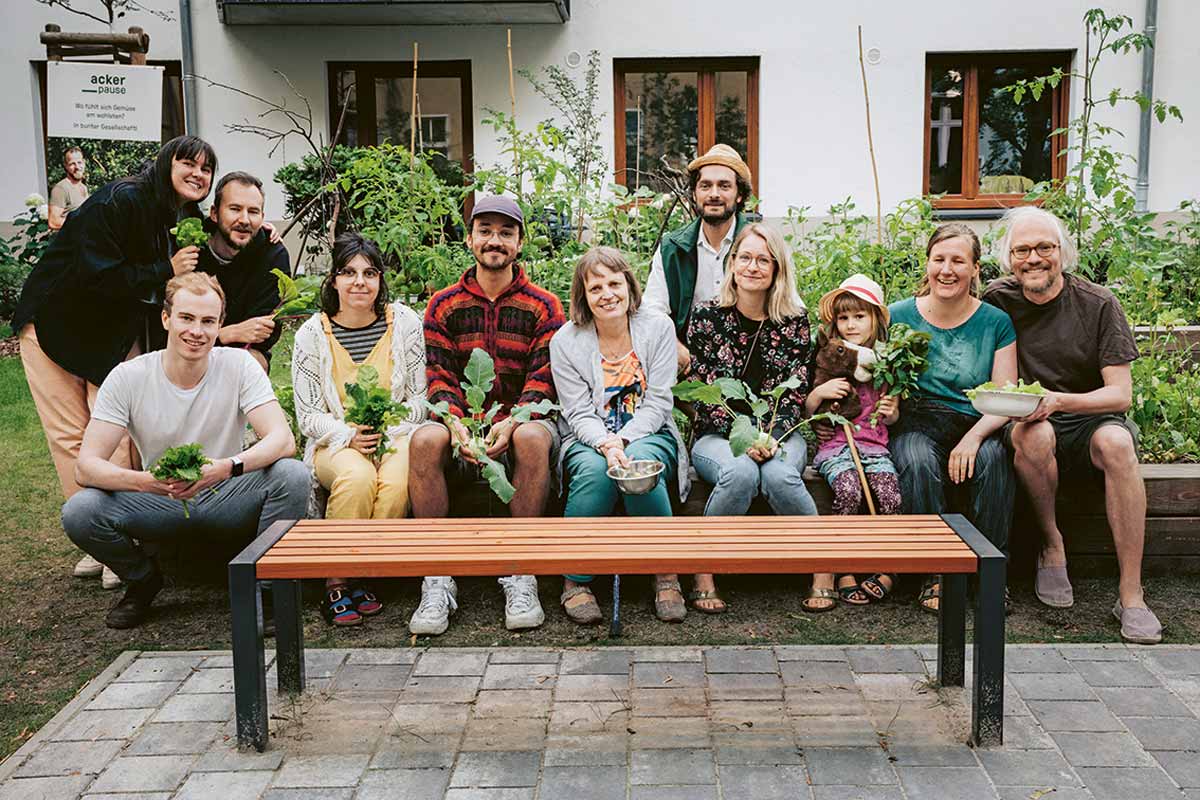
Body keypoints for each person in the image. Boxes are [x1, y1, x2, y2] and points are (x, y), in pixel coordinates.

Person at [14, 135, 218, 587]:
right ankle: (102, 543)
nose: (198, 174)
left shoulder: (183, 214)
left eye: (206, 169)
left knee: (116, 437)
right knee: (71, 437)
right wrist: (167, 269)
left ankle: (120, 535)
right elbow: (97, 275)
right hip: (55, 325)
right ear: (166, 163)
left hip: (110, 334)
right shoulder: (120, 200)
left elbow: (217, 249)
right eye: (188, 163)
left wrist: (264, 236)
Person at [60, 273, 308, 629]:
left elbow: (282, 440)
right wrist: (148, 482)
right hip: (160, 497)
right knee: (80, 511)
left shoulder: (239, 366)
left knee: (293, 475)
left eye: (209, 321)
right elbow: (87, 467)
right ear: (166, 318)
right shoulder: (128, 377)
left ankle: (265, 589)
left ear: (221, 324)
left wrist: (226, 467)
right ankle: (142, 580)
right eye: (186, 318)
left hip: (226, 491)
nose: (197, 331)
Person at [984, 206, 1161, 644]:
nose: (1034, 258)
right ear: (1008, 258)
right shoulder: (997, 300)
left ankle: (1131, 593)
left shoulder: (1099, 303)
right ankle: (1052, 544)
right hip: (1031, 423)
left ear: (1063, 252)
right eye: (1022, 249)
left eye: (1045, 247)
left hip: (1088, 418)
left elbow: (1120, 394)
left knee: (1119, 445)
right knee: (1034, 433)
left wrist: (1060, 400)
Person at [407, 195, 565, 636]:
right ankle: (437, 576)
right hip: (461, 424)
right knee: (423, 441)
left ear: (519, 243)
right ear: (470, 237)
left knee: (533, 437)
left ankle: (521, 571)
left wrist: (512, 420)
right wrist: (457, 424)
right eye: (486, 231)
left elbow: (543, 378)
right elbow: (438, 376)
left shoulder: (543, 306)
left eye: (506, 233)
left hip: (522, 420)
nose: (495, 241)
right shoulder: (444, 305)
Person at [291, 233, 427, 626]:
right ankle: (335, 579)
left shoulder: (403, 324)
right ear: (333, 279)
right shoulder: (311, 335)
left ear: (381, 279)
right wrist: (347, 434)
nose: (359, 282)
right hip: (336, 439)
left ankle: (365, 573)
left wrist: (388, 426)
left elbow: (419, 399)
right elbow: (309, 415)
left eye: (369, 273)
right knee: (357, 476)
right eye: (348, 272)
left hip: (395, 434)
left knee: (398, 481)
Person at [550, 247, 689, 624]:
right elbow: (577, 411)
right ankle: (575, 580)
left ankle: (665, 574)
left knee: (641, 468)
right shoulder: (566, 341)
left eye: (615, 283)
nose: (607, 294)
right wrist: (605, 443)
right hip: (587, 436)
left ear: (629, 285)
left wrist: (622, 442)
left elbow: (659, 402)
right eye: (595, 288)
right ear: (583, 296)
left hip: (648, 430)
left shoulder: (657, 328)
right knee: (596, 473)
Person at [686, 223, 819, 614]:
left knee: (778, 474)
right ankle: (703, 573)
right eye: (745, 257)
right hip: (717, 436)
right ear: (731, 263)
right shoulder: (707, 317)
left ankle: (823, 568)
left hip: (781, 434)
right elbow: (702, 390)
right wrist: (747, 441)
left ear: (777, 269)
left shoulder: (793, 321)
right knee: (741, 471)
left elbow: (795, 391)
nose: (753, 267)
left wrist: (772, 437)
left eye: (764, 260)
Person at [888, 223, 1018, 613]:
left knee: (994, 462)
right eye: (939, 259)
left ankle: (991, 575)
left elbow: (1005, 395)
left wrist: (974, 438)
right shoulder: (898, 316)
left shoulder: (996, 322)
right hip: (917, 421)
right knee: (915, 459)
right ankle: (936, 574)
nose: (947, 269)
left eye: (958, 261)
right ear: (927, 264)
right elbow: (883, 381)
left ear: (975, 269)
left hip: (977, 421)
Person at [803, 274, 902, 612]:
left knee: (888, 494)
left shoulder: (887, 364)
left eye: (859, 316)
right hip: (837, 447)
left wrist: (891, 410)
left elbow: (892, 416)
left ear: (875, 319)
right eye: (843, 317)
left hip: (874, 445)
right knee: (848, 490)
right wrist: (819, 395)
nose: (850, 324)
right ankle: (842, 564)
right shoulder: (832, 358)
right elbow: (809, 411)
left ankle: (887, 566)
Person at [643, 144, 753, 372]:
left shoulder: (760, 246)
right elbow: (652, 311)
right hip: (687, 366)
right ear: (694, 194)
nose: (714, 194)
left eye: (724, 186)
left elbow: (786, 305)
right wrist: (674, 346)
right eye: (705, 185)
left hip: (748, 363)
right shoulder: (672, 248)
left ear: (739, 195)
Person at [195, 171, 287, 371]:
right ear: (214, 212)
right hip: (188, 345)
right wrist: (228, 333)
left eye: (253, 211)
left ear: (262, 217)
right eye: (235, 209)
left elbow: (264, 332)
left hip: (241, 352)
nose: (244, 219)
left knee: (253, 361)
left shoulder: (273, 254)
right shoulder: (192, 248)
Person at [48, 146, 89, 231]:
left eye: (79, 162)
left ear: (84, 163)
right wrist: (83, 223)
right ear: (66, 166)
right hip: (68, 243)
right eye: (72, 164)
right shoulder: (61, 189)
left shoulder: (83, 187)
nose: (77, 167)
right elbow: (53, 222)